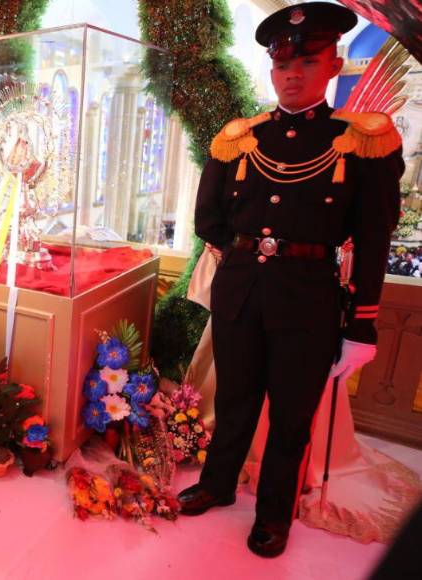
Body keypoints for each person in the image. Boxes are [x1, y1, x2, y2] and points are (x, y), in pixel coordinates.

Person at [178, 2, 405, 558]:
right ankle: (217, 483)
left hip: (309, 299)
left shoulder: (361, 139)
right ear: (272, 70)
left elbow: (374, 239)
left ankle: (274, 514)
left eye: (308, 61)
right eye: (283, 65)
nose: (294, 73)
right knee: (233, 401)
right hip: (242, 290)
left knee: (291, 416)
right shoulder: (241, 138)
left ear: (333, 64)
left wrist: (363, 326)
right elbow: (207, 218)